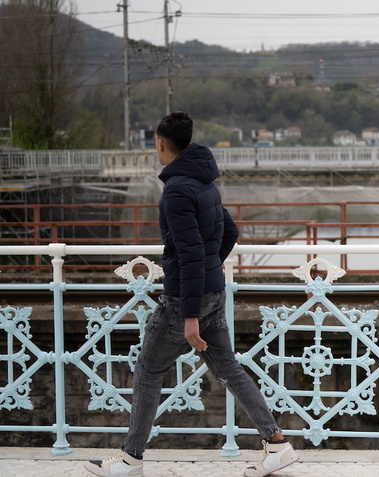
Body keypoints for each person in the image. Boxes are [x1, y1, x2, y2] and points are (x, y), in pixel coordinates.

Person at [85, 112, 298, 477]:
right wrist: (211, 273)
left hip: (186, 299)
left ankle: (130, 460)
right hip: (213, 291)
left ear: (161, 143)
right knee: (229, 369)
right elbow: (229, 231)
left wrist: (189, 315)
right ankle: (277, 443)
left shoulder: (178, 190)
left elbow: (190, 254)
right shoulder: (204, 183)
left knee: (149, 371)